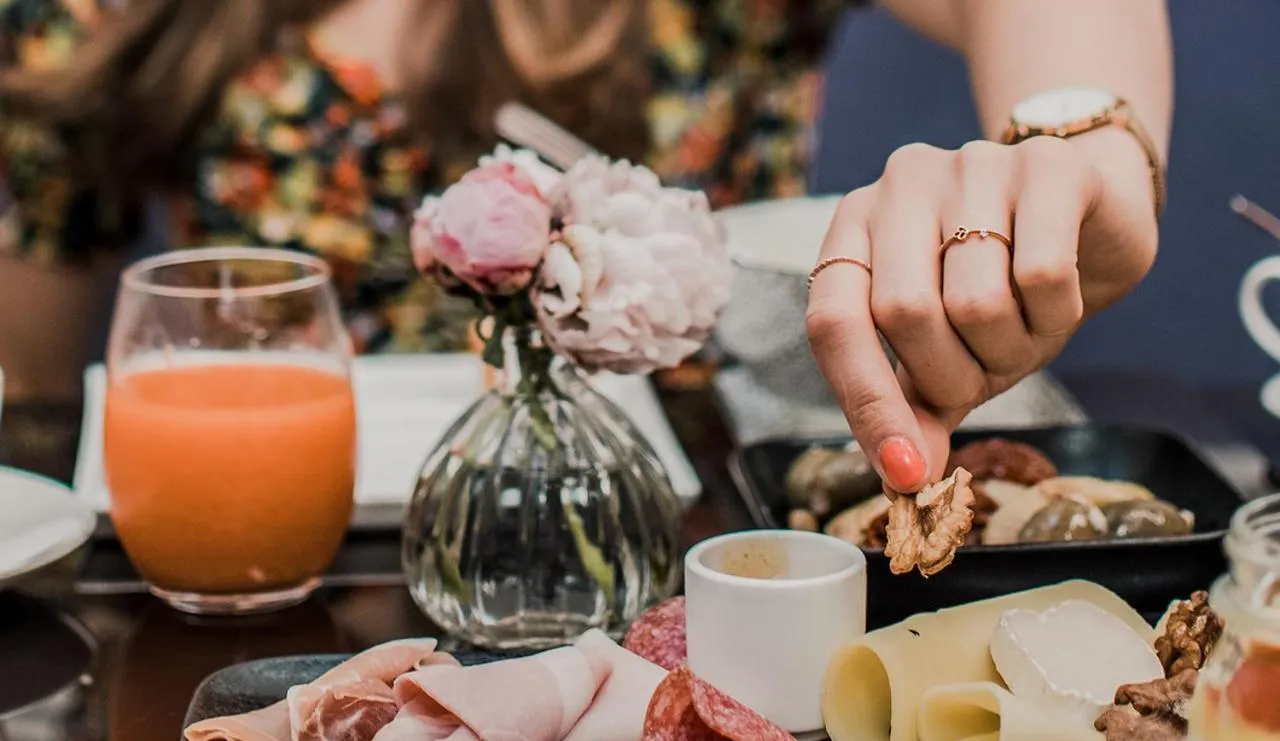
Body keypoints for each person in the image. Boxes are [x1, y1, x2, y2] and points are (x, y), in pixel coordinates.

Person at [0, 0, 1171, 494]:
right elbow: (40, 390)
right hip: (270, 574)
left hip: (686, 551)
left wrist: (1080, 145)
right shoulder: (97, 21)